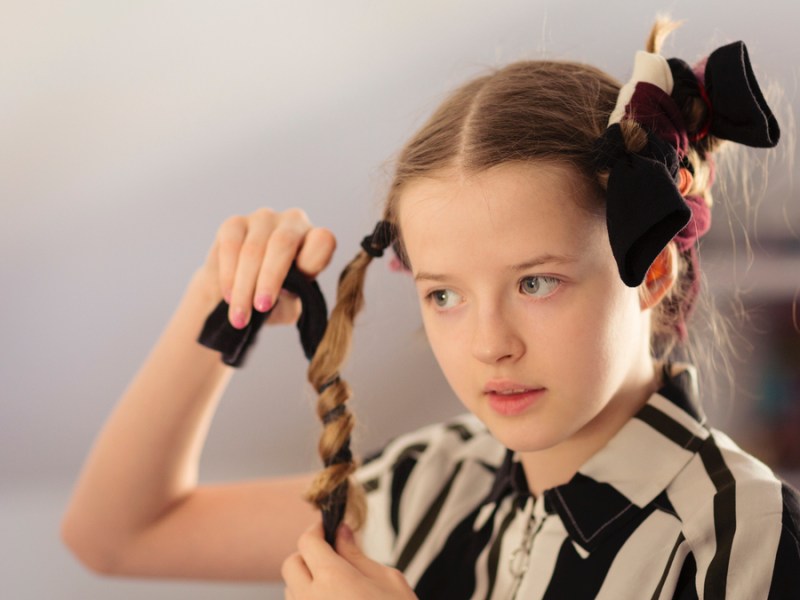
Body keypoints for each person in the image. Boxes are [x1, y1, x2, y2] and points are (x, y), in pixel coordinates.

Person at [61, 19, 800, 599]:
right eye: (444, 294)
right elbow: (117, 536)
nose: (489, 345)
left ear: (652, 270)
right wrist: (219, 296)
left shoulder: (745, 537)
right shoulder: (436, 478)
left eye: (535, 283)